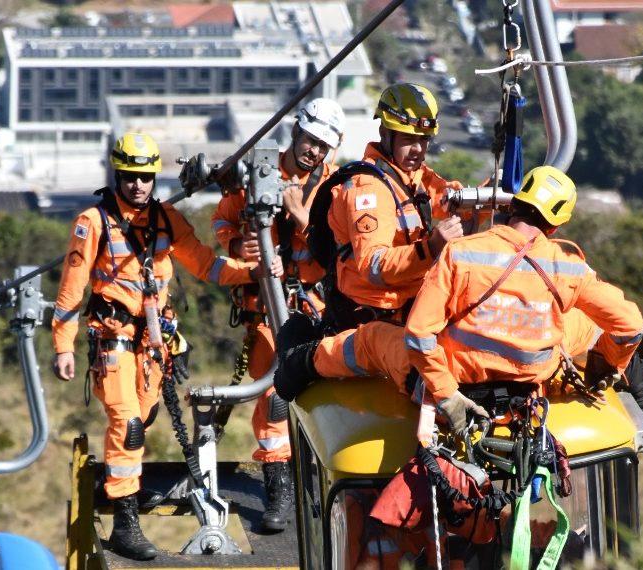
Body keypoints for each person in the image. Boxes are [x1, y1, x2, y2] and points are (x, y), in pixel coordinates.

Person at [51, 132, 281, 561]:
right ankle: (125, 523)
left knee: (143, 415)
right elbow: (71, 289)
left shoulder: (166, 219)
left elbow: (206, 265)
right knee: (128, 423)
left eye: (145, 178)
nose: (138, 185)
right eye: (130, 177)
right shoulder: (93, 222)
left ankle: (121, 485)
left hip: (154, 344)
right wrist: (63, 346)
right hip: (115, 339)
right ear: (117, 176)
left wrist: (254, 272)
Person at [403, 165, 643, 434]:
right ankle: (621, 366)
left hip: (462, 392)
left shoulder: (460, 253)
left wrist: (447, 394)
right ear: (555, 226)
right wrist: (606, 363)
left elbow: (418, 333)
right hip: (524, 403)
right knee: (586, 323)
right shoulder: (569, 268)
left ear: (512, 204)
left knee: (372, 337)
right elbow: (630, 325)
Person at [273, 83, 471, 398]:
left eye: (424, 140)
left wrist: (492, 196)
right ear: (385, 134)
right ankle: (304, 359)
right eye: (409, 140)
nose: (418, 150)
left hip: (411, 312)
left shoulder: (412, 177)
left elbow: (452, 197)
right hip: (368, 321)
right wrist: (430, 247)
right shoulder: (368, 189)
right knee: (418, 374)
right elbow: (373, 265)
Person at [209, 97, 345, 532]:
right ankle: (280, 487)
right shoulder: (258, 174)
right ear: (295, 133)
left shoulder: (334, 187)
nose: (314, 152)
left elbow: (341, 250)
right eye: (310, 141)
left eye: (323, 146)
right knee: (273, 399)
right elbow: (222, 219)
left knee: (323, 394)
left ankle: (317, 480)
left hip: (314, 306)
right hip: (268, 309)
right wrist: (235, 244)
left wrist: (303, 219)